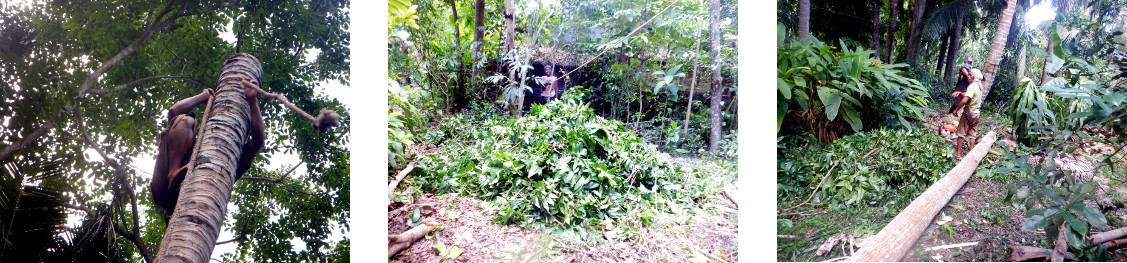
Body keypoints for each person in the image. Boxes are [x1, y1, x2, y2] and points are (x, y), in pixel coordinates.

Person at [150, 78, 266, 222]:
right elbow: (174, 112)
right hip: (165, 189)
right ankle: (173, 173)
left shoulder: (232, 160)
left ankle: (176, 175)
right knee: (186, 120)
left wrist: (252, 100)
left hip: (204, 193)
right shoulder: (186, 143)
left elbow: (259, 140)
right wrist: (203, 96)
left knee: (186, 121)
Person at [950, 68, 984, 159]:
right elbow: (968, 95)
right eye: (968, 74)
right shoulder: (979, 86)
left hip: (968, 114)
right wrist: (960, 93)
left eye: (970, 75)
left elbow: (965, 100)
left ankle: (958, 154)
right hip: (976, 115)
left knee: (961, 133)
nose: (968, 76)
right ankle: (970, 153)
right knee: (972, 135)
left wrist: (956, 110)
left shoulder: (972, 86)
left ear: (974, 77)